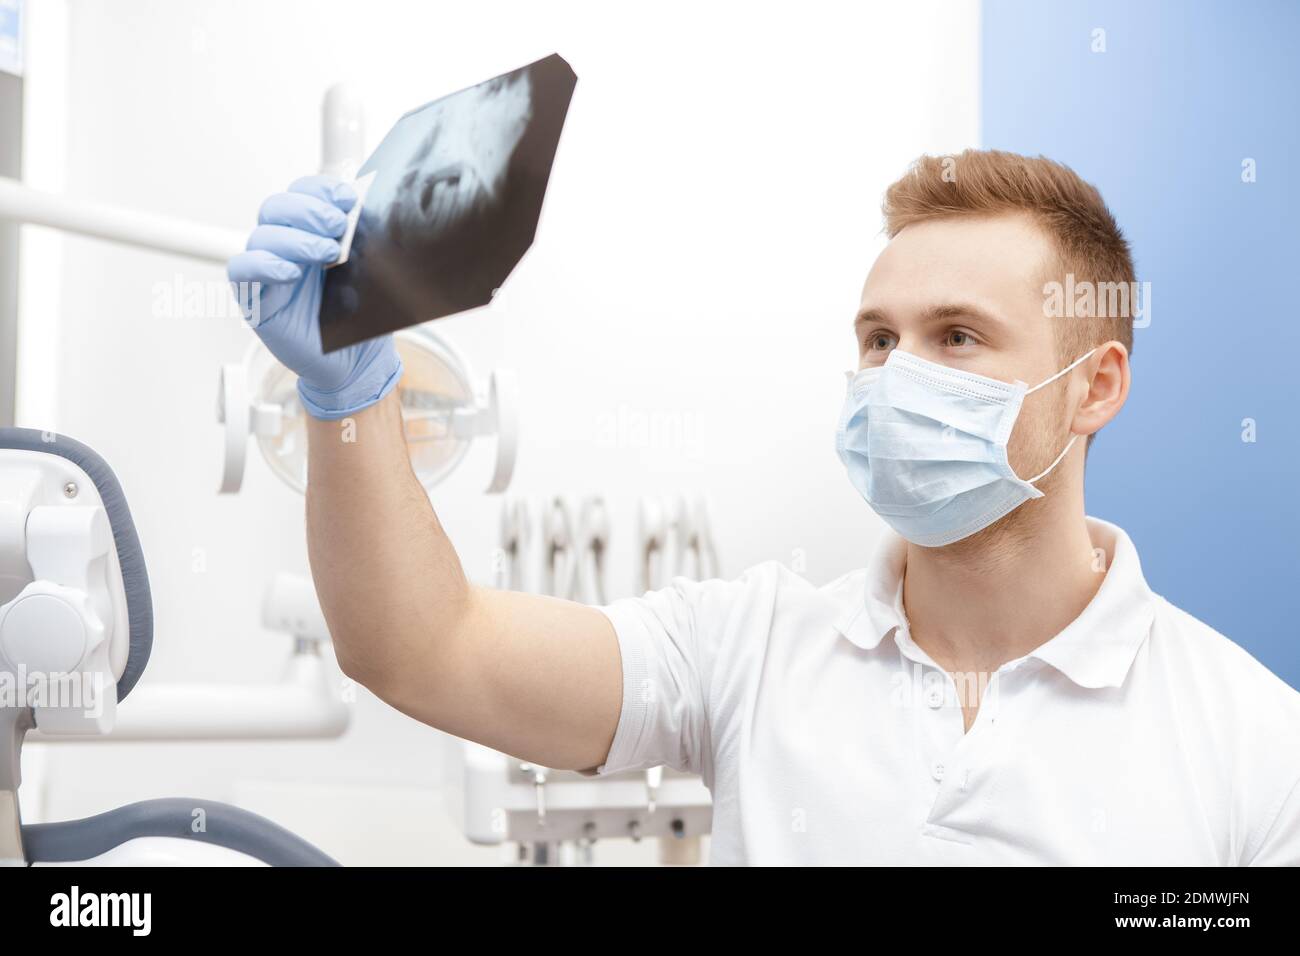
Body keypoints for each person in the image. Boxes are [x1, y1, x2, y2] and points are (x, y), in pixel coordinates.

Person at [226, 148, 1300, 865]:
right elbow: (423, 646)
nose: (893, 377)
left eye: (956, 337)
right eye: (877, 339)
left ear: (1095, 386)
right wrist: (347, 394)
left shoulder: (1253, 740)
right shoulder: (749, 647)